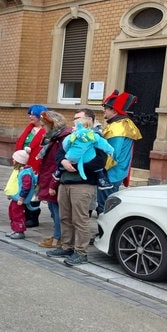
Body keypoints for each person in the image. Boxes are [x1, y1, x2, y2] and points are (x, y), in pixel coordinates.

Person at [47, 108, 109, 266]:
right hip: (65, 182)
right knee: (65, 217)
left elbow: (100, 162)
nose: (74, 120)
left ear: (89, 119)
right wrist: (63, 162)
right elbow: (59, 154)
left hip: (83, 184)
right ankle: (67, 247)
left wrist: (78, 163)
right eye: (74, 118)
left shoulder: (95, 138)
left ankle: (81, 252)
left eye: (78, 118)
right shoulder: (72, 136)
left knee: (80, 219)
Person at [96, 89, 142, 215]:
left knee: (105, 207)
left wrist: (99, 169)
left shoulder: (117, 127)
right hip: (117, 171)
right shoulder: (122, 123)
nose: (104, 110)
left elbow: (112, 154)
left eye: (106, 108)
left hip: (110, 173)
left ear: (114, 110)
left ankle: (104, 233)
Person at [35, 111, 72, 248]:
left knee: (58, 212)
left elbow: (59, 161)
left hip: (55, 178)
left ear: (52, 124)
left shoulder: (61, 139)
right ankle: (57, 235)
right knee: (53, 209)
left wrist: (53, 182)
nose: (43, 128)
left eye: (44, 125)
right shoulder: (54, 137)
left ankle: (59, 238)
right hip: (49, 176)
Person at [15, 104, 47, 227]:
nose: (30, 116)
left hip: (37, 165)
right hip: (24, 163)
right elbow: (20, 142)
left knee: (34, 191)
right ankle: (24, 213)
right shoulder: (29, 129)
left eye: (33, 114)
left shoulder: (45, 131)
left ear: (41, 116)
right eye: (30, 113)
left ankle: (33, 216)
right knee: (23, 188)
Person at [4, 149, 37, 240]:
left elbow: (26, 187)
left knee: (17, 214)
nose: (13, 160)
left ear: (19, 161)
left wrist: (21, 198)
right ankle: (15, 229)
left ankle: (19, 230)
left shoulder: (25, 173)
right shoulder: (20, 171)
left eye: (14, 159)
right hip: (16, 198)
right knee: (12, 212)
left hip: (19, 199)